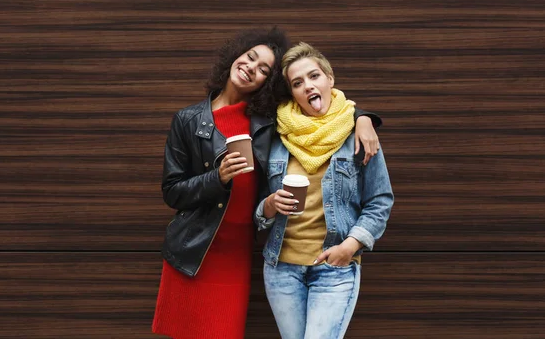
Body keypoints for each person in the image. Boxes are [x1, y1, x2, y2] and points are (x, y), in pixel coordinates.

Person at [152, 28, 382, 338]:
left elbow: (320, 107)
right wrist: (217, 178)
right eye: (250, 58)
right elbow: (173, 191)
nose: (251, 68)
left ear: (267, 83)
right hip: (194, 249)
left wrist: (363, 118)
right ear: (236, 57)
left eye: (263, 70)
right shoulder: (188, 120)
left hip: (239, 252)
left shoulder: (268, 122)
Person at [255, 42, 394, 339]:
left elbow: (380, 201)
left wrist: (350, 247)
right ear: (291, 93)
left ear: (330, 78)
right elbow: (254, 203)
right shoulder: (276, 136)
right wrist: (267, 206)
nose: (307, 86)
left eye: (314, 76)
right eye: (297, 83)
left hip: (335, 268)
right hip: (281, 268)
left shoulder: (357, 133)